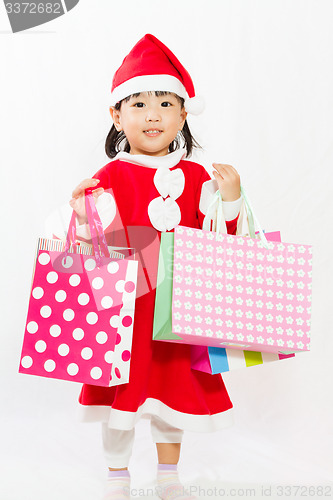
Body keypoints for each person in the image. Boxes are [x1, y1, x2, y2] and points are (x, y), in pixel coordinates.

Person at [69, 34, 242, 500]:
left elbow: (223, 241)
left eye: (166, 103)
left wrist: (231, 198)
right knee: (122, 394)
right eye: (140, 103)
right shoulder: (110, 175)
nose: (152, 115)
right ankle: (117, 475)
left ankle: (169, 476)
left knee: (171, 393)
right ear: (116, 115)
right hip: (127, 309)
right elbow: (90, 247)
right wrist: (83, 212)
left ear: (184, 114)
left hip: (177, 307)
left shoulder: (199, 175)